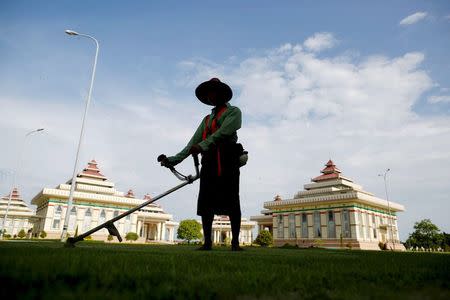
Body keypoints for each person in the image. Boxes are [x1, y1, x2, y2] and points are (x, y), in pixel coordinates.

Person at [160, 78, 244, 251]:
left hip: (227, 159)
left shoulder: (234, 112)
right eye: (208, 94)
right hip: (210, 161)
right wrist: (174, 159)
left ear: (221, 94)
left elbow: (223, 133)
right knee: (206, 202)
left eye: (213, 92)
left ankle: (235, 243)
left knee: (232, 200)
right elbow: (193, 143)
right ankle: (207, 243)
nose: (210, 96)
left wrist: (203, 145)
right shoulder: (206, 120)